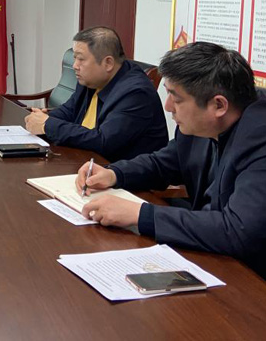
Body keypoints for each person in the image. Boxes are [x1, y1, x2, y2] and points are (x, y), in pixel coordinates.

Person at [76, 42, 266, 278]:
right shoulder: (203, 124)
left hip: (251, 276)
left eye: (176, 99)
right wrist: (114, 173)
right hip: (214, 255)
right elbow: (164, 163)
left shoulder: (259, 137)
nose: (168, 107)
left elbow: (238, 230)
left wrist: (141, 214)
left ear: (218, 105)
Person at [25, 26, 168, 161]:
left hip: (121, 172)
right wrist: (42, 118)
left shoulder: (136, 93)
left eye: (81, 59)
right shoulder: (91, 80)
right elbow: (69, 111)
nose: (75, 65)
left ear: (108, 63)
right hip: (85, 161)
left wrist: (48, 125)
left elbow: (104, 141)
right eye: (75, 58)